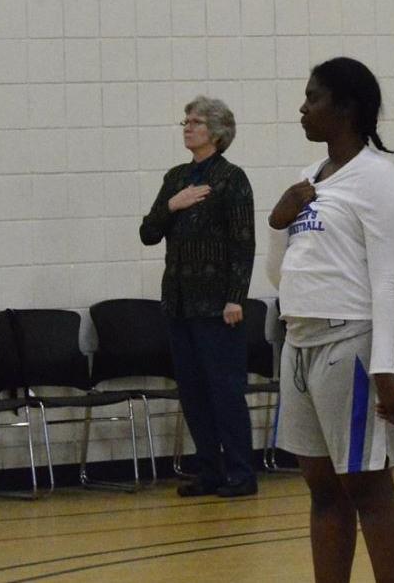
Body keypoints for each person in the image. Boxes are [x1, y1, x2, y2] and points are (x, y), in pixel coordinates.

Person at [266, 57, 394, 583]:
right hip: (299, 341)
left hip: (351, 340)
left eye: (314, 98)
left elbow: (388, 283)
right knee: (322, 488)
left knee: (368, 486)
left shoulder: (377, 179)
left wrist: (383, 370)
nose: (303, 108)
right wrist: (278, 221)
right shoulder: (307, 177)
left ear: (346, 109)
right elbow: (279, 274)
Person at [139, 95, 257, 499]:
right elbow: (148, 232)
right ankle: (210, 471)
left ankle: (241, 473)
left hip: (218, 305)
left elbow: (244, 243)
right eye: (185, 121)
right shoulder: (176, 178)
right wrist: (174, 205)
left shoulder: (231, 179)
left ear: (217, 132)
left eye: (195, 122)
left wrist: (235, 297)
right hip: (179, 302)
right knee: (192, 392)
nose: (187, 127)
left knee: (225, 391)